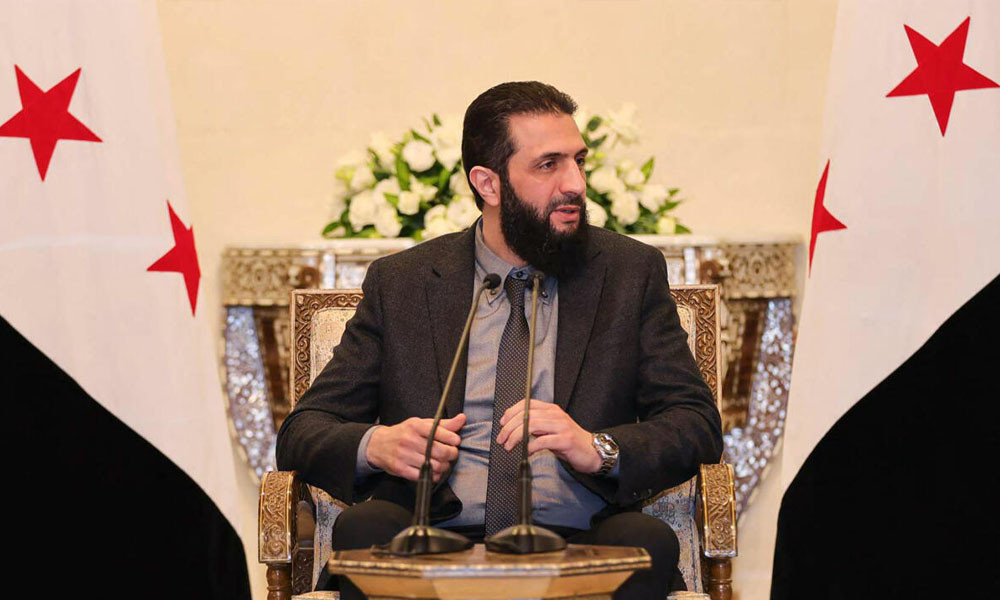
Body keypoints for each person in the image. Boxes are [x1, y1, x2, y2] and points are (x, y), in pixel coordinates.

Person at [276, 81, 723, 600]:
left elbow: (696, 422)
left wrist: (597, 448)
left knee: (646, 541)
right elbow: (303, 431)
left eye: (579, 162)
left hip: (582, 537)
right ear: (488, 184)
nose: (575, 184)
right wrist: (378, 445)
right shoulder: (404, 284)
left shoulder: (628, 273)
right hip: (434, 536)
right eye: (548, 165)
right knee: (364, 530)